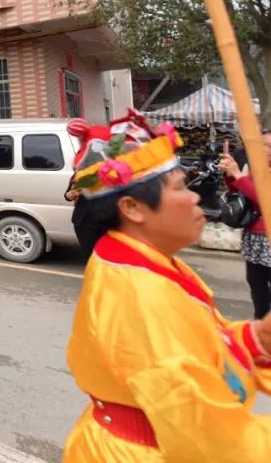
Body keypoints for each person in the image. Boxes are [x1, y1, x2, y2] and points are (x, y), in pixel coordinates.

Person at [62, 112, 271, 460]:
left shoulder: (141, 261)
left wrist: (254, 340)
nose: (193, 198)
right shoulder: (140, 295)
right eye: (179, 188)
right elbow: (211, 438)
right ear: (132, 208)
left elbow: (196, 345)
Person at [221, 130, 271, 318]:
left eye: (269, 146)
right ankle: (261, 323)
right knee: (257, 284)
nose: (263, 150)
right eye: (262, 144)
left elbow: (265, 198)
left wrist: (238, 176)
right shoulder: (259, 170)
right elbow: (240, 190)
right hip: (254, 238)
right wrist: (229, 174)